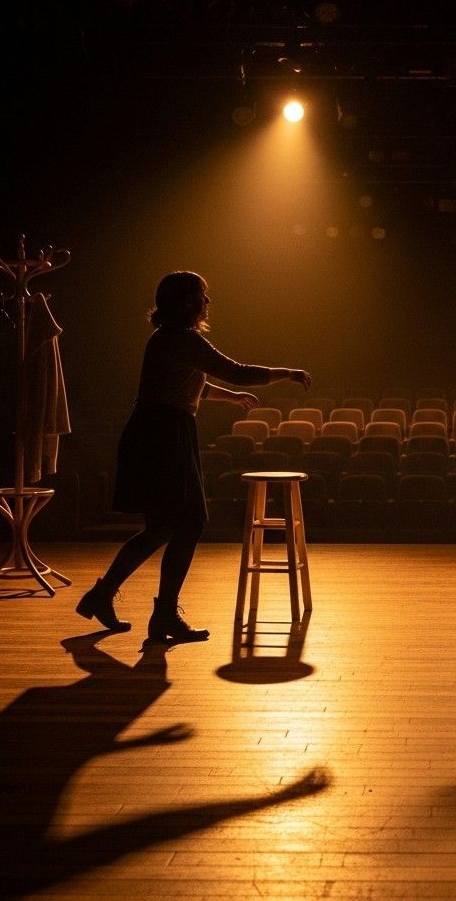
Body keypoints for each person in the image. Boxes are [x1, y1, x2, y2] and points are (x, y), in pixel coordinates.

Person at [76, 271, 311, 644]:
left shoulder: (167, 338)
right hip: (165, 434)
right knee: (191, 521)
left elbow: (191, 382)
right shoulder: (183, 338)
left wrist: (230, 398)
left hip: (156, 430)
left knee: (163, 526)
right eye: (203, 294)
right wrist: (288, 373)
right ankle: (162, 614)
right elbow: (238, 372)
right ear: (186, 301)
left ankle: (105, 595)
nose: (207, 301)